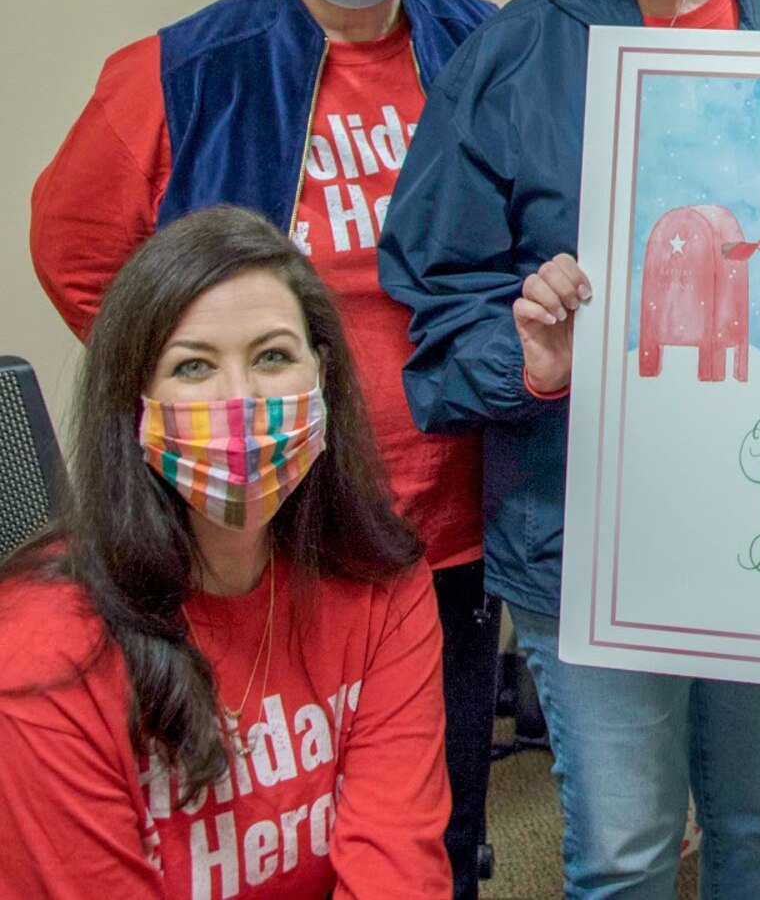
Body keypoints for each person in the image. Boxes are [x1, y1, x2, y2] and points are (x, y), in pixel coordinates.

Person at [28, 0, 497, 896]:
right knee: (250, 826)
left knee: (425, 824)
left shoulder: (485, 52)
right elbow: (81, 253)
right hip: (252, 523)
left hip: (446, 520)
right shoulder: (179, 72)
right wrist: (197, 393)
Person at [376, 0, 760, 900]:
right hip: (584, 536)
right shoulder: (505, 65)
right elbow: (435, 319)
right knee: (623, 849)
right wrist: (532, 353)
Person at [0, 205, 450, 897]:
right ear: (136, 399)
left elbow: (396, 868)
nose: (239, 399)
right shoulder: (41, 651)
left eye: (272, 356)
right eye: (193, 366)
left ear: (321, 376)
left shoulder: (383, 580)